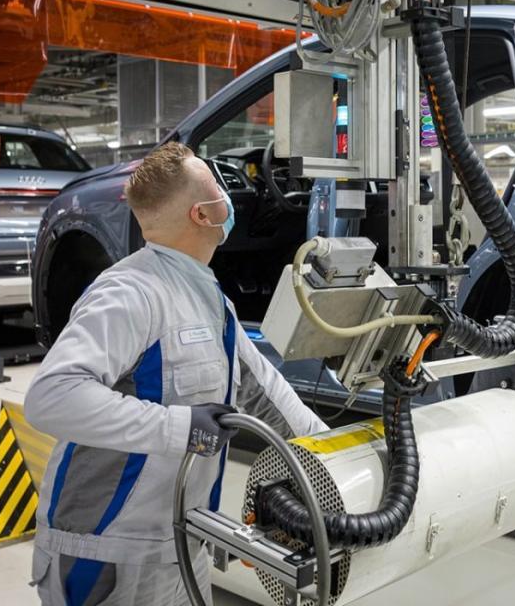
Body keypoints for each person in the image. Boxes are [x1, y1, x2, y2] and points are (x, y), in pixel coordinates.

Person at [24, 141, 327, 605]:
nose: (229, 197)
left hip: (180, 546)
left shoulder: (208, 297)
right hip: (107, 554)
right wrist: (181, 428)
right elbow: (52, 396)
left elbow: (263, 388)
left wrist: (332, 453)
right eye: (218, 187)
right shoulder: (129, 293)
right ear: (203, 215)